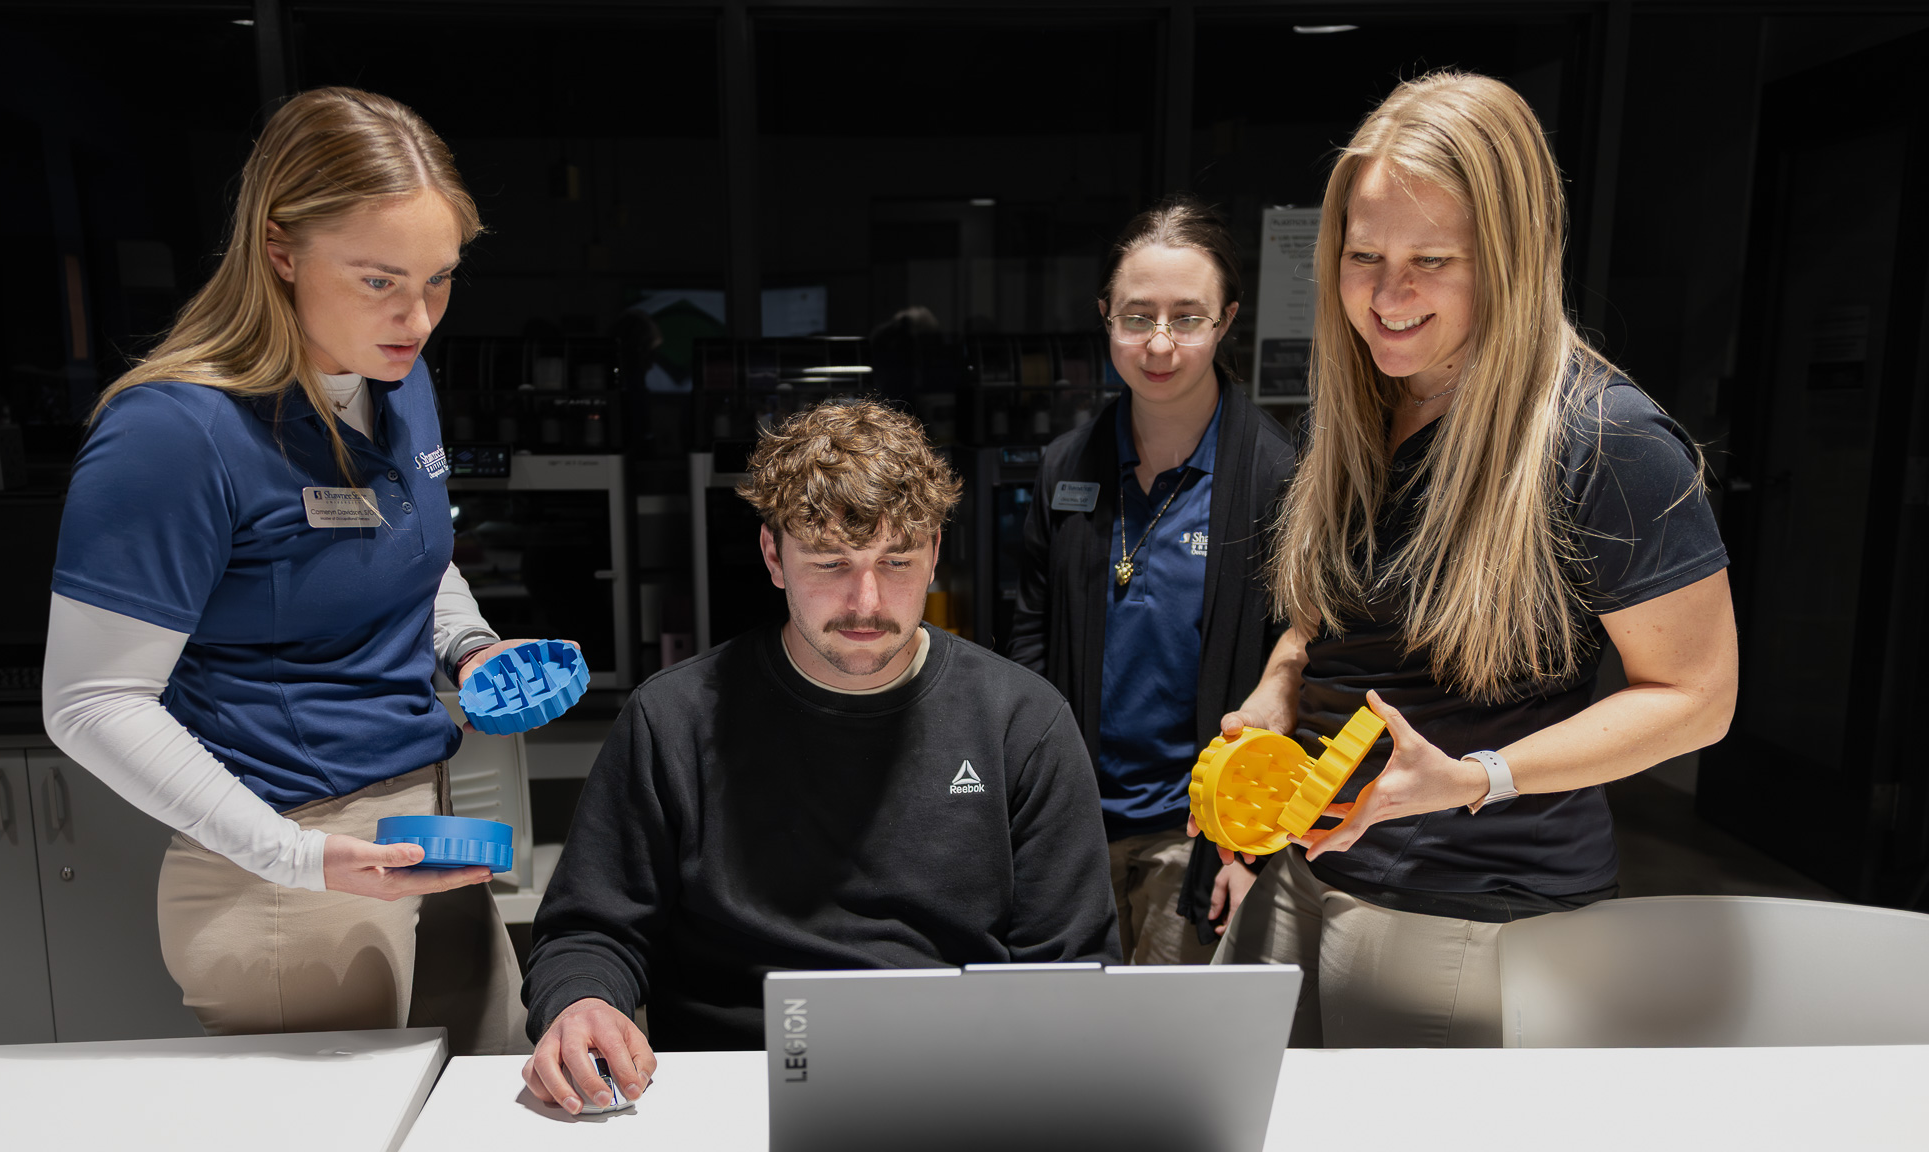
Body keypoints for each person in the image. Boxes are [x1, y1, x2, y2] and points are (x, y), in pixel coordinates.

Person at [1207, 71, 1738, 1047]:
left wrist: (1476, 775)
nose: (1387, 296)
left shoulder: (1605, 440)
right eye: (1363, 256)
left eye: (1431, 260)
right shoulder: (1364, 408)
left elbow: (1696, 699)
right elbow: (1339, 609)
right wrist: (1282, 677)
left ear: (1510, 254)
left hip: (1467, 910)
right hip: (1306, 875)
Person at [42, 87, 546, 1055]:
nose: (417, 318)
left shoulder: (397, 374)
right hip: (288, 859)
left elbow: (409, 551)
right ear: (280, 250)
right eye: (378, 280)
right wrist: (296, 857)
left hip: (420, 819)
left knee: (486, 1093)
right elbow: (91, 702)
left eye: (440, 279)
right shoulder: (172, 434)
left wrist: (468, 645)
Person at [519, 399, 1120, 1114]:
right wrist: (582, 1001)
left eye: (895, 562)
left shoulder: (1023, 721)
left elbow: (1072, 967)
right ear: (774, 556)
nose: (866, 601)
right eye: (831, 563)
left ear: (934, 554)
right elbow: (589, 929)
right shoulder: (673, 718)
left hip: (958, 1083)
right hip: (729, 1085)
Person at [1008, 198, 1294, 964]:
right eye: (1137, 317)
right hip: (1073, 824)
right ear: (1106, 315)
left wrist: (1252, 842)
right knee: (1070, 1026)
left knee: (1166, 1030)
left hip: (1198, 830)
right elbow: (1030, 632)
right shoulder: (1065, 468)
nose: (1160, 344)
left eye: (1187, 318)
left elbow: (1298, 664)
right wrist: (1034, 796)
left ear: (1226, 320)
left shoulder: (1277, 478)